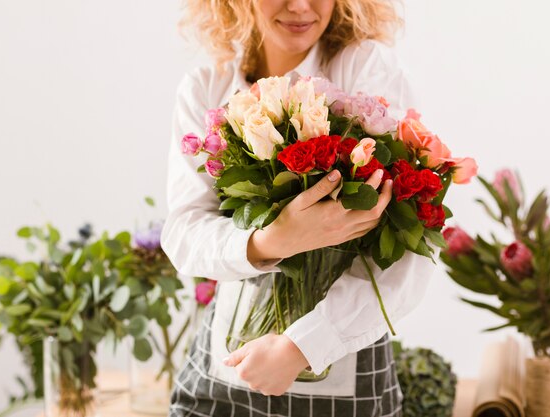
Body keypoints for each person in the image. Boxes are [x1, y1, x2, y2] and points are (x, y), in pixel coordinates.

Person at [161, 0, 440, 415]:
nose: (300, 6)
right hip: (227, 370)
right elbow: (184, 230)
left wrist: (301, 347)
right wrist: (270, 241)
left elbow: (404, 250)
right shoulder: (206, 86)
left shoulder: (363, 68)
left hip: (342, 379)